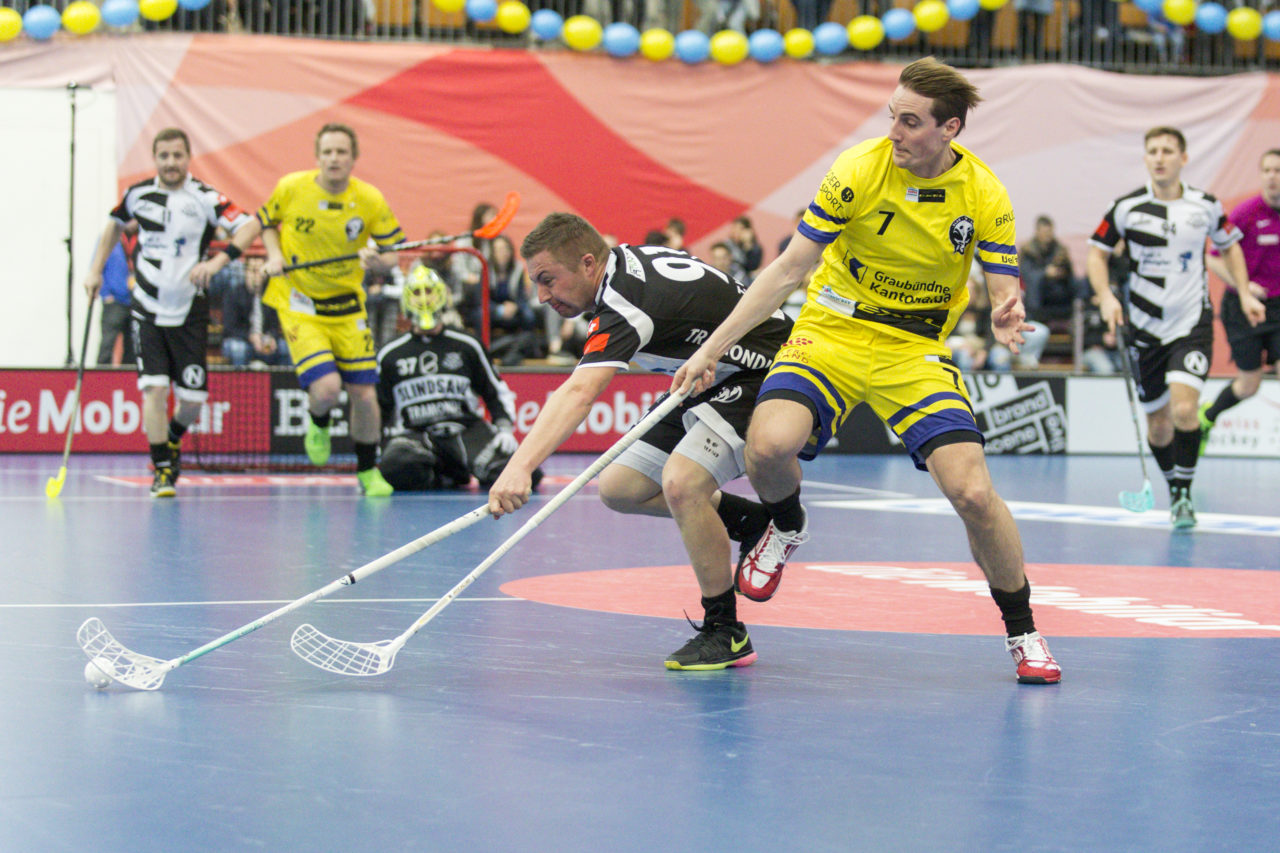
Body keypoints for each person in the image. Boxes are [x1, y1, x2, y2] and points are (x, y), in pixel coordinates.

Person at [673, 57, 1061, 685]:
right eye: (893, 117)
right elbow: (787, 271)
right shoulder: (858, 170)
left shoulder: (984, 193)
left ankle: (1024, 632)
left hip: (914, 351)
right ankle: (787, 524)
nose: (895, 132)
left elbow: (1001, 279)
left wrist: (1005, 309)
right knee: (768, 447)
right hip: (831, 331)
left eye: (911, 123)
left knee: (972, 494)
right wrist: (712, 347)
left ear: (950, 129)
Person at [489, 212, 792, 671]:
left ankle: (725, 630)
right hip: (705, 375)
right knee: (621, 487)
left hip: (766, 372)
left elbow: (579, 393)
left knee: (683, 484)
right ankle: (751, 523)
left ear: (588, 264)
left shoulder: (626, 303)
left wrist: (518, 465)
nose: (542, 296)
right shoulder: (623, 267)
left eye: (548, 280)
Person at [1086, 126, 1249, 530]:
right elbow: (1096, 254)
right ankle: (1173, 483)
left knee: (1183, 409)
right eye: (1152, 151)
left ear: (1183, 157)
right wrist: (1106, 297)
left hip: (1191, 323)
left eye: (1167, 150)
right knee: (1157, 426)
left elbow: (1231, 247)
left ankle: (1183, 495)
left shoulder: (1206, 206)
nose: (1159, 157)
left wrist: (1244, 292)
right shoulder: (1125, 208)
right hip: (1143, 329)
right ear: (1146, 159)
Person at [82, 127, 258, 498]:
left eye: (177, 155)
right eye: (164, 156)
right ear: (155, 158)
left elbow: (249, 226)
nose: (171, 163)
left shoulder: (206, 197)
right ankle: (162, 468)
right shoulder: (138, 195)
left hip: (190, 311)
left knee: (193, 401)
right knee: (156, 391)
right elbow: (113, 226)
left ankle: (173, 438)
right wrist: (95, 269)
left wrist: (219, 262)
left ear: (187, 157)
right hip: (146, 308)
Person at [258, 122, 403, 496]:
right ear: (317, 156)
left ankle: (368, 471)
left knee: (365, 397)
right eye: (328, 152)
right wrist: (273, 255)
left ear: (353, 158)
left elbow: (392, 254)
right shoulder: (292, 188)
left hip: (348, 307)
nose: (334, 158)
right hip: (300, 303)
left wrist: (377, 261)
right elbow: (266, 224)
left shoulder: (370, 199)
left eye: (341, 152)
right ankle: (318, 420)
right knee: (325, 389)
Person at [376, 265, 539, 490]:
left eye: (429, 291)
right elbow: (380, 407)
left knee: (523, 474)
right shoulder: (390, 353)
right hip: (418, 435)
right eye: (416, 293)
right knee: (394, 467)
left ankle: (460, 466)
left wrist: (504, 428)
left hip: (466, 431)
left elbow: (495, 390)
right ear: (406, 299)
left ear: (442, 295)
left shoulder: (466, 344)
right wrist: (378, 446)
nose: (424, 299)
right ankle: (449, 475)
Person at [1199, 149, 1278, 449]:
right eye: (1268, 170)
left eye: (1279, 171)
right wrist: (1245, 288)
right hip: (1243, 307)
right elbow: (1214, 259)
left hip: (1279, 307)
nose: (1273, 177)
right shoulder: (1245, 213)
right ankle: (1208, 416)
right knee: (1249, 385)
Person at [220, 258, 290, 367]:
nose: (256, 275)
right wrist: (251, 337)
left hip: (264, 340)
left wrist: (271, 337)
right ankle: (240, 382)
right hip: (242, 340)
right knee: (237, 348)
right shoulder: (234, 293)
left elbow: (275, 325)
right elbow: (229, 328)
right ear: (245, 272)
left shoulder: (272, 293)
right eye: (253, 271)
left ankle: (283, 383)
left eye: (259, 271)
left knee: (285, 347)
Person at [95, 234, 135, 366]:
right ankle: (100, 379)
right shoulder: (109, 238)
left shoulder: (144, 237)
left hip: (136, 301)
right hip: (115, 301)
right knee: (107, 343)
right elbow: (96, 268)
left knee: (133, 345)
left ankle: (129, 380)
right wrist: (106, 294)